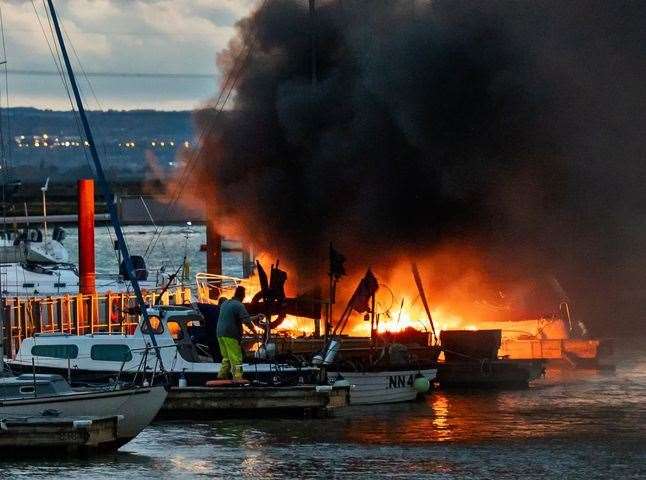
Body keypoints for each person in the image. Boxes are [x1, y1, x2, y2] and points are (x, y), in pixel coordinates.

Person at [216, 286, 263, 380]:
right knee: (236, 357)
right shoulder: (239, 305)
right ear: (242, 296)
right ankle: (238, 378)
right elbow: (246, 321)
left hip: (220, 334)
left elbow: (242, 319)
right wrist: (255, 334)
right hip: (230, 335)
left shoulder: (226, 303)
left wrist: (257, 317)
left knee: (227, 358)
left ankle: (221, 377)